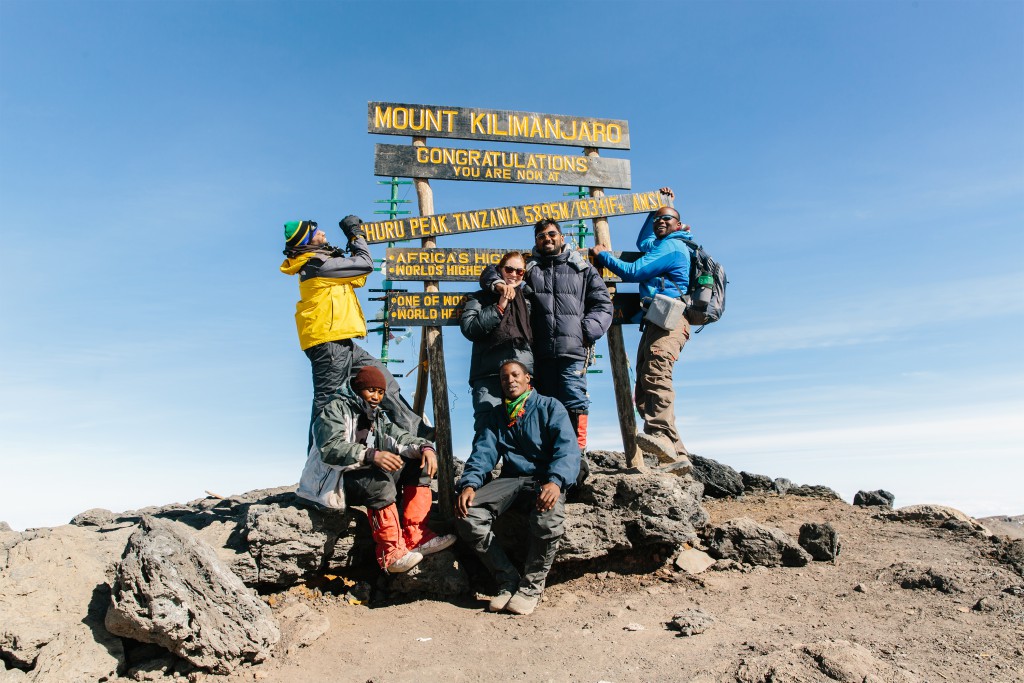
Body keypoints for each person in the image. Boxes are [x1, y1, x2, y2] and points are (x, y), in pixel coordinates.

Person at [279, 217, 427, 446]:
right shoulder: (317, 265)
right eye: (318, 232)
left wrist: (341, 253)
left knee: (381, 379)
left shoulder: (322, 262)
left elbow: (358, 278)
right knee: (328, 404)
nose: (324, 233)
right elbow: (365, 263)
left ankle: (417, 432)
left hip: (340, 341)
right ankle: (318, 464)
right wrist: (356, 237)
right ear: (308, 239)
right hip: (328, 343)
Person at [297, 365, 456, 574]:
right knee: (379, 483)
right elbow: (330, 449)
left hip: (358, 473)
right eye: (371, 390)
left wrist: (425, 447)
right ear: (357, 388)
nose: (376, 397)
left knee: (419, 465)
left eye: (380, 392)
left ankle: (416, 536)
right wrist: (372, 455)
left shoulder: (377, 417)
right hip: (331, 481)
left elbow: (400, 437)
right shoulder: (334, 408)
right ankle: (390, 554)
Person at [454, 359, 581, 616]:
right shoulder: (497, 416)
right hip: (512, 480)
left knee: (547, 519)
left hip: (546, 479)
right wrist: (469, 484)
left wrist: (556, 482)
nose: (509, 380)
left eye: (515, 375)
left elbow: (567, 449)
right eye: (504, 378)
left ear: (527, 379)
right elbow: (483, 454)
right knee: (469, 513)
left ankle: (532, 587)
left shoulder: (550, 406)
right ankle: (507, 579)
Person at [478, 220, 612, 456]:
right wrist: (499, 284)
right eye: (541, 236)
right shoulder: (530, 269)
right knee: (544, 405)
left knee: (574, 400)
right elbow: (491, 271)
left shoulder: (582, 268)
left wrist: (586, 330)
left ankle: (576, 455)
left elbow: (603, 303)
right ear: (537, 241)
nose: (547, 238)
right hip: (540, 352)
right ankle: (550, 455)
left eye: (552, 234)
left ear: (561, 237)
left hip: (573, 350)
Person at [590, 187, 693, 472]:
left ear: (678, 225)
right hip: (657, 319)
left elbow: (634, 272)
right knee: (646, 382)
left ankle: (660, 435)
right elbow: (643, 240)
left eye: (667, 220)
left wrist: (604, 257)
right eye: (658, 220)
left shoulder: (673, 246)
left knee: (656, 374)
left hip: (670, 319)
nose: (661, 222)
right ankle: (677, 454)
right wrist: (660, 206)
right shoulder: (661, 243)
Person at [459, 251, 534, 434]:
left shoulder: (528, 301)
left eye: (520, 272)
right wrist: (499, 306)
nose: (514, 275)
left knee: (522, 433)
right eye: (509, 269)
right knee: (487, 431)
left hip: (521, 376)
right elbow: (470, 329)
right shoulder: (479, 298)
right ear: (500, 270)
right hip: (488, 376)